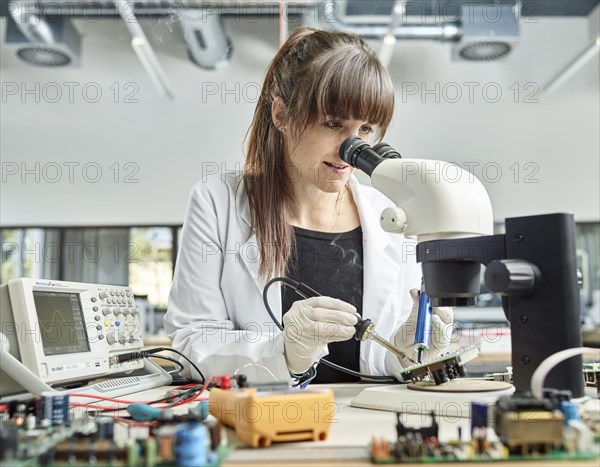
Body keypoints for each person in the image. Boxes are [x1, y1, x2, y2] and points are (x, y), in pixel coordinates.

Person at [164, 26, 453, 384]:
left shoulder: (390, 215)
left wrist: (407, 352)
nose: (352, 149)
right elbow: (192, 341)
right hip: (263, 425)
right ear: (281, 115)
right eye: (333, 123)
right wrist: (284, 353)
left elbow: (384, 359)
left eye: (365, 129)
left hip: (364, 425)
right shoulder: (217, 201)